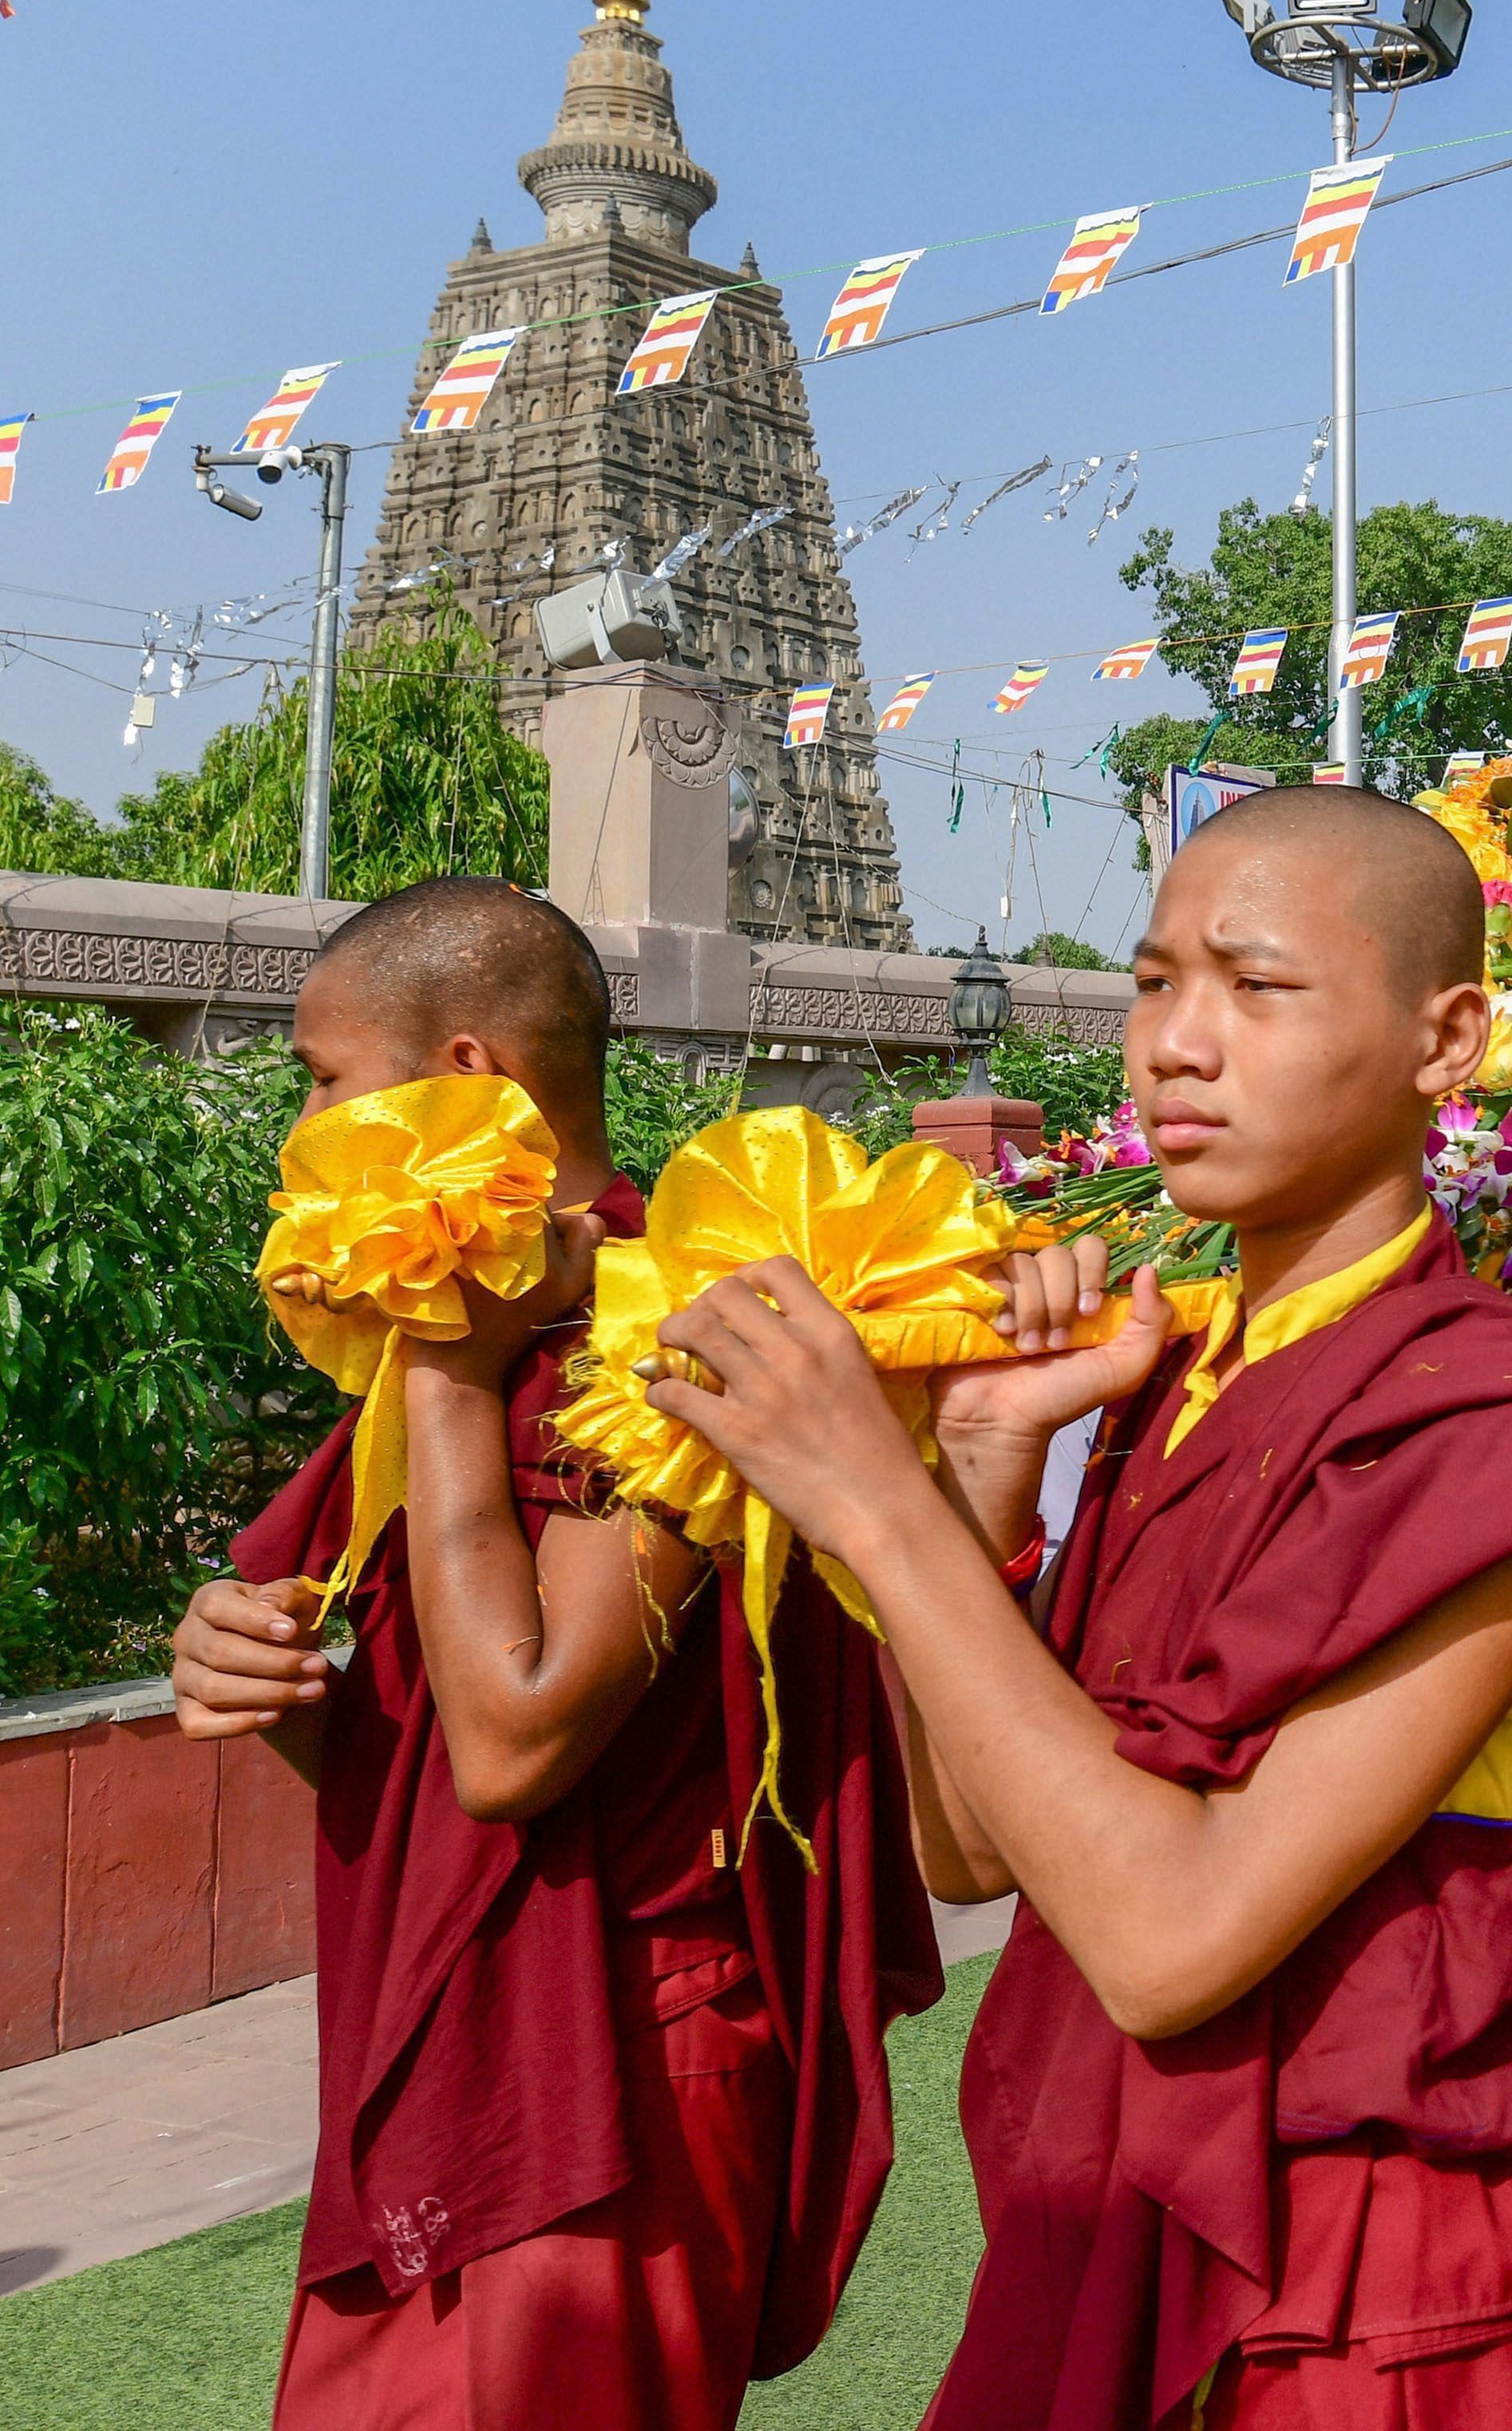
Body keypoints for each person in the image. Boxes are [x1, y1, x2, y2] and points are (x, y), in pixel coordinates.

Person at [627, 788, 1512, 2429]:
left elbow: (1166, 1943)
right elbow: (977, 1849)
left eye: (1255, 986)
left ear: (1447, 1041)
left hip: (1382, 2330)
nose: (1175, 1046)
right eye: (1154, 984)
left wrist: (866, 1500)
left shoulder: (1510, 1447)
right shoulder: (1183, 1381)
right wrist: (984, 1473)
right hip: (1116, 2244)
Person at [167, 877, 936, 2431]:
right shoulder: (475, 1332)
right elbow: (420, 1747)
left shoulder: (672, 1333)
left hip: (613, 2074)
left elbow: (516, 1739)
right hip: (464, 2032)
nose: (303, 1135)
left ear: (475, 1088)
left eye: (328, 1083)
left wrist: (452, 1367)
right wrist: (256, 1675)